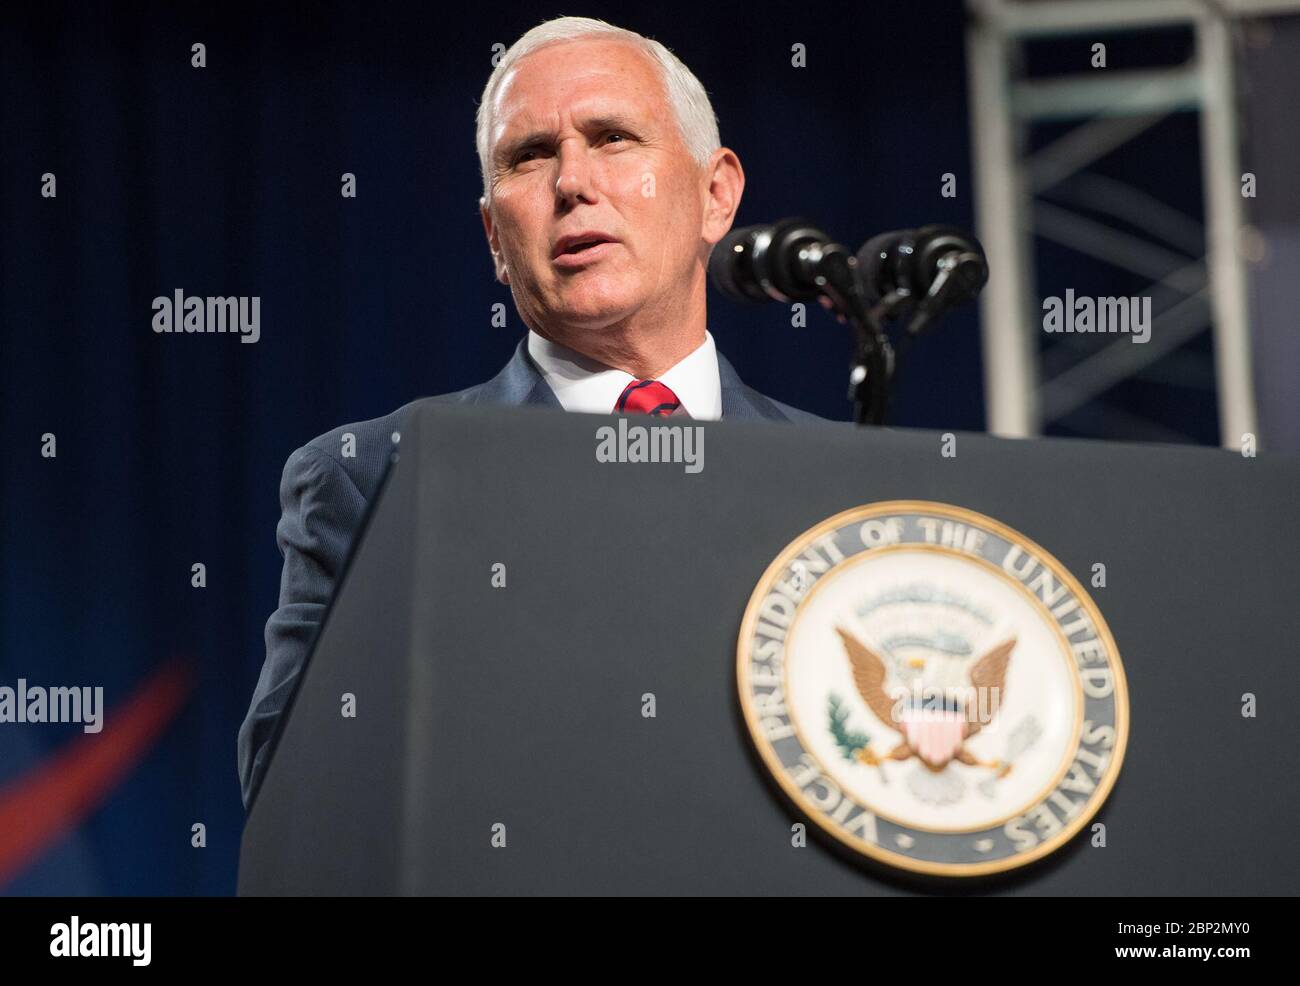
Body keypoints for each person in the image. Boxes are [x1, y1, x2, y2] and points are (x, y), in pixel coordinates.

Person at [237, 15, 828, 810]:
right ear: (493, 235)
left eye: (613, 137)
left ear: (715, 194)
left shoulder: (840, 473)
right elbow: (291, 795)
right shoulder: (374, 476)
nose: (572, 182)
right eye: (529, 156)